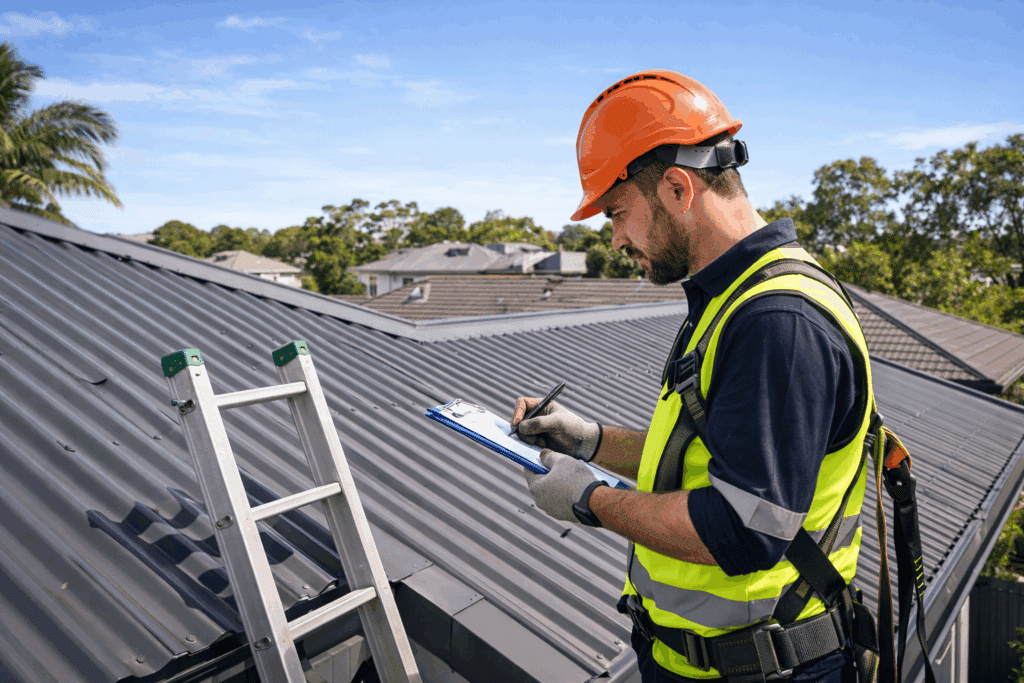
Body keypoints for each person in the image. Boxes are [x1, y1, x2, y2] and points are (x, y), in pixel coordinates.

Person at [512, 70, 874, 682]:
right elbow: (708, 455)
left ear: (678, 188)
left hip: (765, 669)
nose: (617, 239)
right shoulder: (730, 298)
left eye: (618, 213)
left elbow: (741, 528)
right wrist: (591, 440)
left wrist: (591, 500)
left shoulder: (776, 323)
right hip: (711, 663)